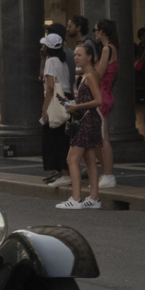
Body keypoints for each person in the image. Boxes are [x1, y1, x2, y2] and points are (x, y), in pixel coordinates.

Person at [57, 43, 103, 209]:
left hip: (86, 120)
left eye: (79, 55)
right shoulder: (87, 74)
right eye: (75, 54)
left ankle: (76, 199)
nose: (75, 57)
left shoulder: (90, 75)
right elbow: (88, 99)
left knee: (71, 159)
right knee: (90, 159)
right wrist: (72, 103)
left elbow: (99, 100)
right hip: (88, 119)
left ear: (89, 57)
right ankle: (94, 198)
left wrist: (77, 107)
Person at [40, 34, 72, 187]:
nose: (42, 48)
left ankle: (65, 173)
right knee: (63, 138)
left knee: (55, 138)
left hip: (56, 100)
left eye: (44, 45)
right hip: (66, 98)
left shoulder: (51, 61)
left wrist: (44, 108)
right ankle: (64, 171)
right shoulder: (61, 61)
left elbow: (51, 87)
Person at [93, 19, 119, 188]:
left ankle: (108, 175)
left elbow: (98, 74)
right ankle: (106, 173)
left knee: (102, 138)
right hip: (106, 93)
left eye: (96, 29)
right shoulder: (113, 49)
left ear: (102, 31)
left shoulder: (106, 49)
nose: (94, 32)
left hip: (101, 95)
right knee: (99, 138)